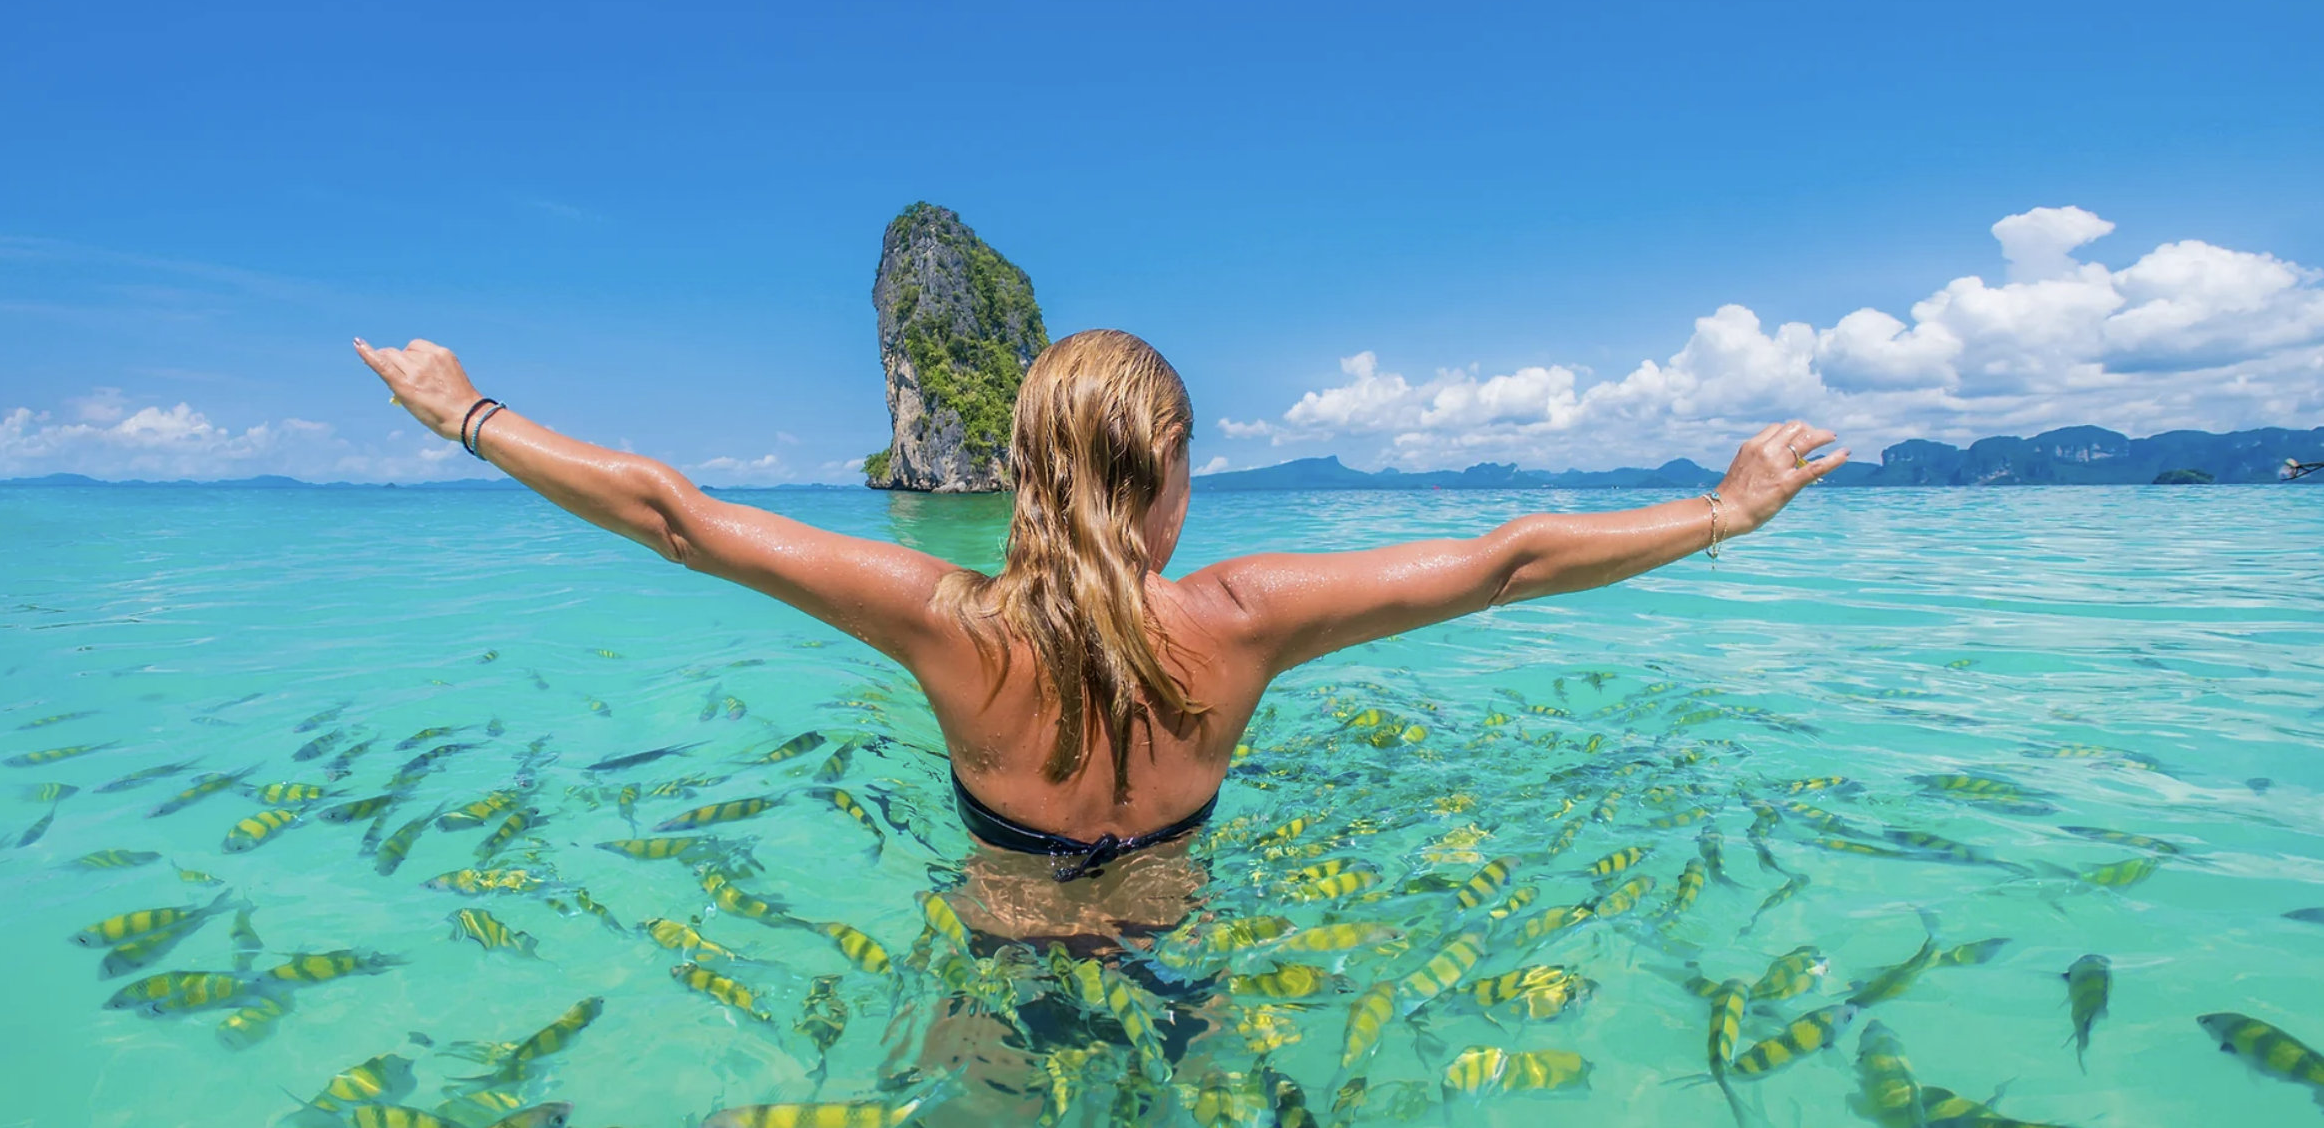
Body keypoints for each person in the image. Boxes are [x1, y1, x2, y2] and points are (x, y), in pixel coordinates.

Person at [354, 328, 1845, 928]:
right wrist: (1724, 511)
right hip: (1169, 919)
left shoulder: (951, 624)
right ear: (1176, 471)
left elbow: (675, 516)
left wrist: (464, 413)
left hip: (1007, 932)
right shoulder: (1245, 620)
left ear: (1020, 470)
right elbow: (1509, 559)